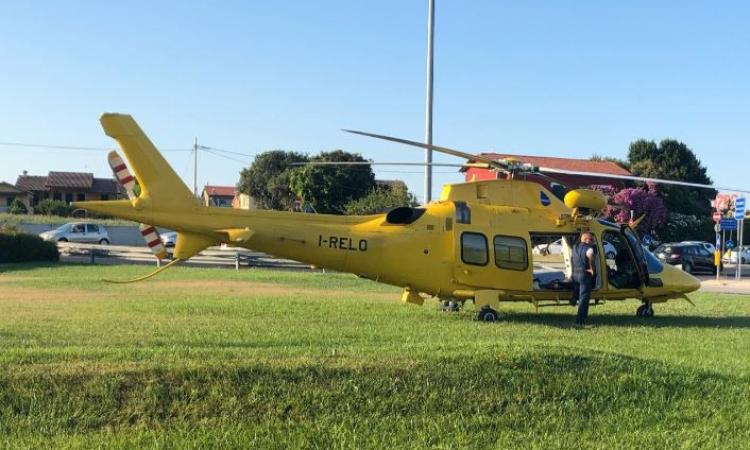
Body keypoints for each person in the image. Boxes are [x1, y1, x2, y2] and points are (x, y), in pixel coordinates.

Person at [571, 231, 597, 327]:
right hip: (584, 275)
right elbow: (590, 256)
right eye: (592, 240)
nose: (593, 242)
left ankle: (573, 299)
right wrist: (592, 268)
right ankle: (580, 321)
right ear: (587, 240)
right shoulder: (589, 248)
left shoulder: (574, 247)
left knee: (578, 294)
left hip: (575, 275)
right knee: (584, 298)